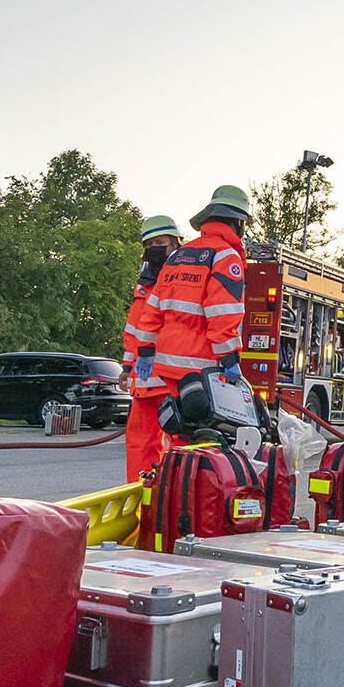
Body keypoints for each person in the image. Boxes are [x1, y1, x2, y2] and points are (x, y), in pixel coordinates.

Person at [131, 185, 249, 426]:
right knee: (201, 442)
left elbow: (153, 307)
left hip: (167, 366)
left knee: (178, 437)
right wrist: (229, 359)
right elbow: (222, 313)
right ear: (238, 223)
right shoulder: (226, 256)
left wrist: (144, 350)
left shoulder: (178, 256)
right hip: (200, 366)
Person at [123, 214, 184, 482]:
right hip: (145, 380)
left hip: (175, 379)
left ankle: (178, 501)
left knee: (180, 445)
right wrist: (127, 366)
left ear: (175, 243)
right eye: (148, 245)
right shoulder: (145, 283)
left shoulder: (185, 276)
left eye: (159, 242)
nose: (153, 249)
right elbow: (134, 328)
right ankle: (139, 501)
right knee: (138, 445)